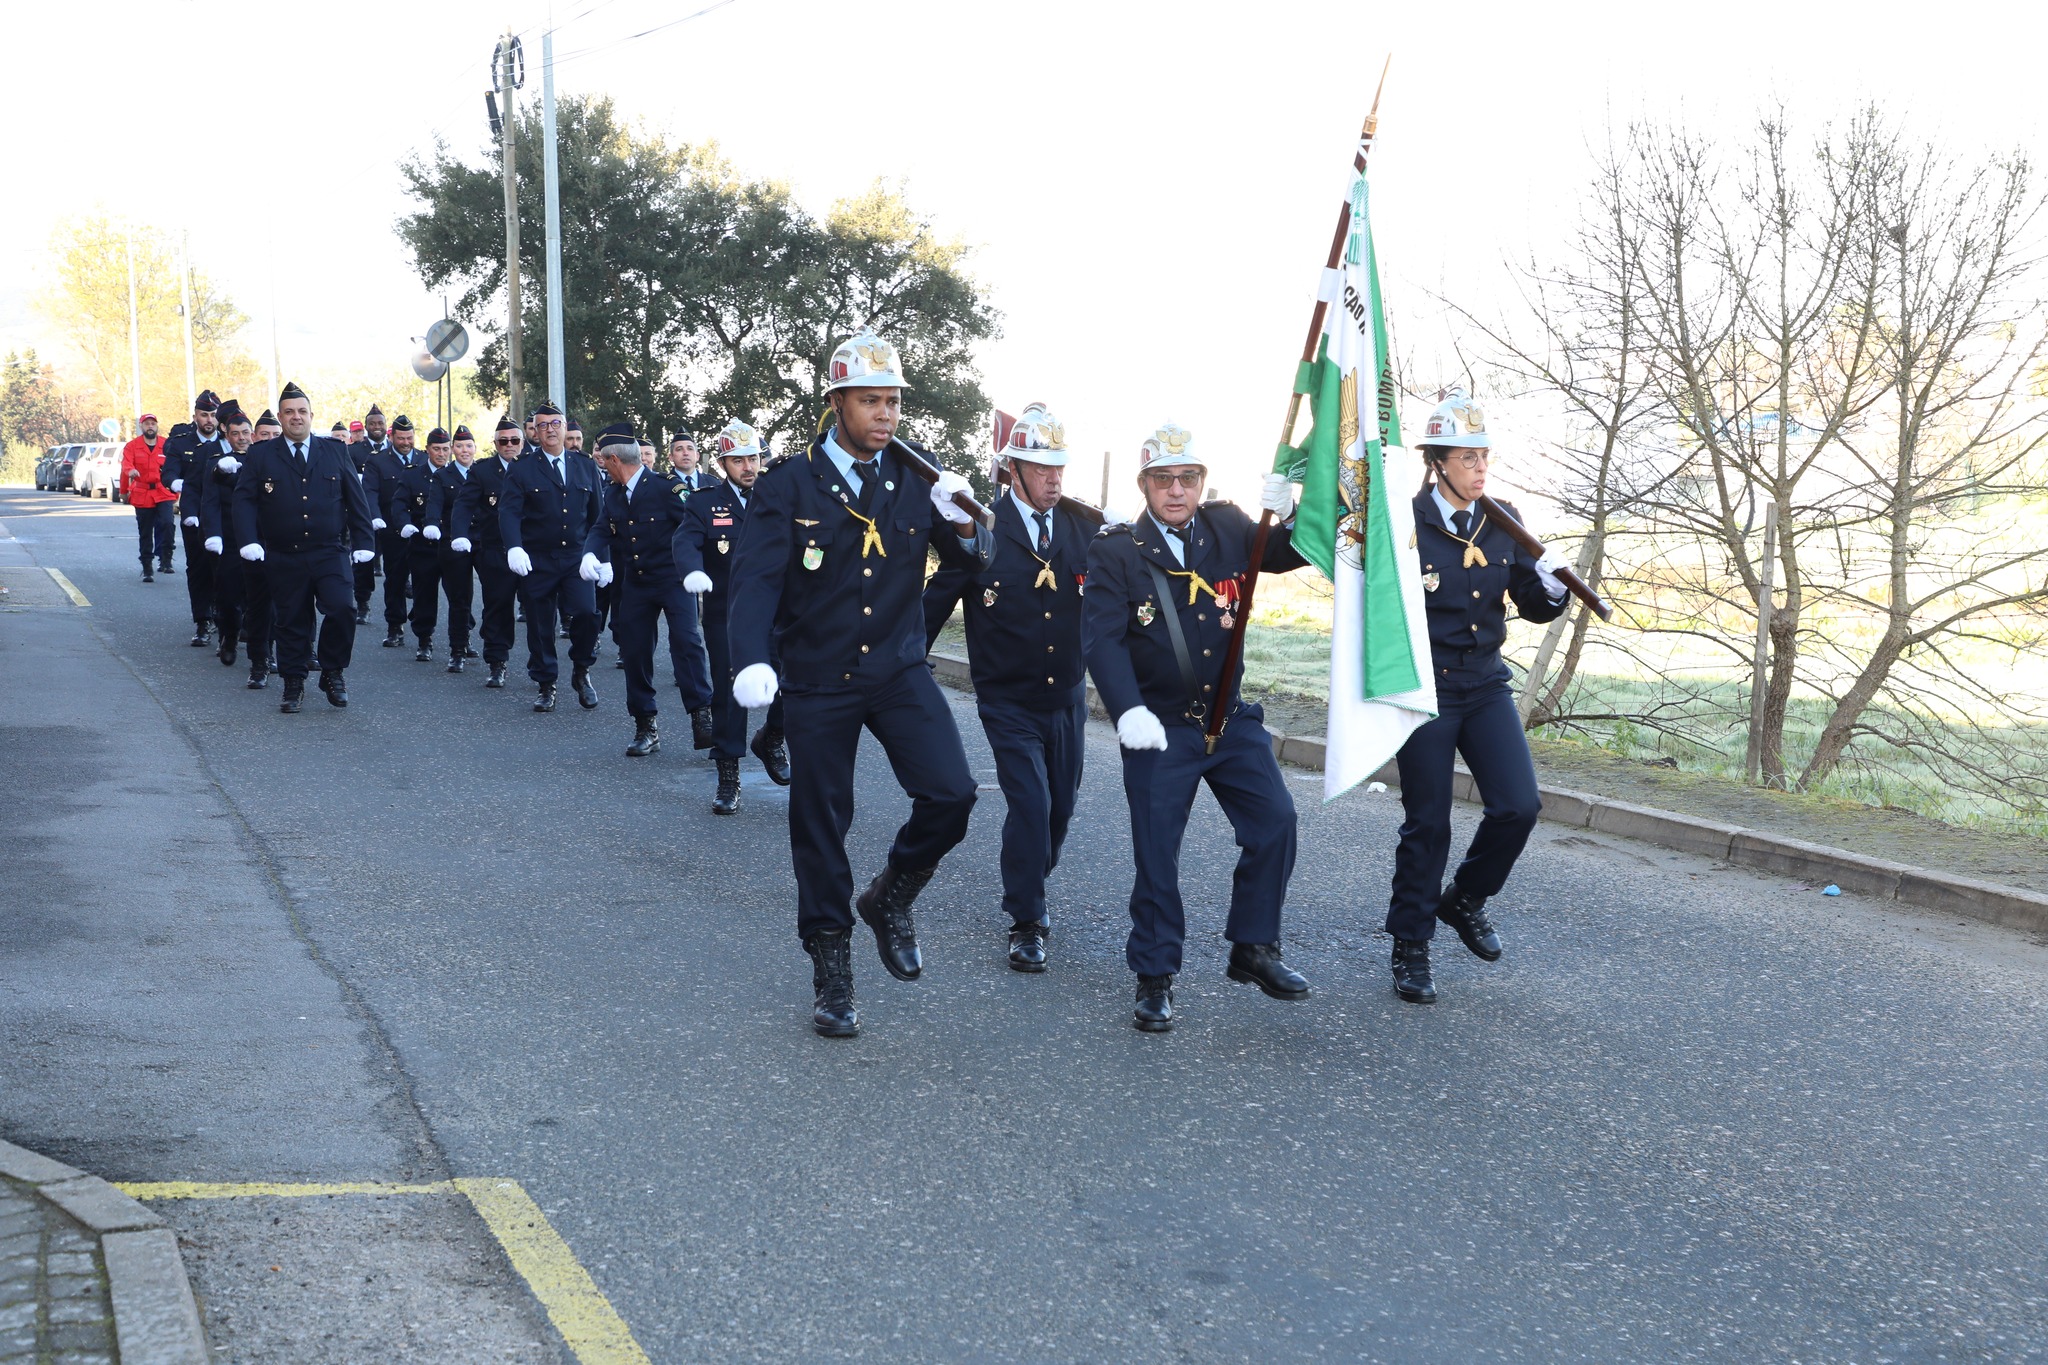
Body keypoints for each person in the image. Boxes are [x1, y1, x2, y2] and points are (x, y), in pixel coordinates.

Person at [726, 330, 991, 1038]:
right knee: (821, 824)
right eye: (870, 400)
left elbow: (972, 560)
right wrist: (751, 658)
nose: (885, 414)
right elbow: (754, 579)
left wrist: (965, 522)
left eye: (893, 401)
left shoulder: (919, 477)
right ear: (837, 402)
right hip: (819, 676)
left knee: (953, 793)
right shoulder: (789, 484)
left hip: (897, 670)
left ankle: (891, 893)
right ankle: (831, 966)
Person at [1082, 422, 1312, 1032]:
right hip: (1160, 725)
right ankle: (1155, 974)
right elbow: (1102, 640)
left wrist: (1290, 513)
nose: (1177, 489)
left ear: (1202, 481)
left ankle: (1253, 947)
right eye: (1163, 479)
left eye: (1188, 477)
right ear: (1144, 486)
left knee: (1276, 821)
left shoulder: (1229, 526)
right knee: (1158, 850)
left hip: (1228, 719)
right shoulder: (1116, 551)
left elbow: (1288, 553)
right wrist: (1127, 709)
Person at [1384, 391, 1569, 1004]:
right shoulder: (1405, 522)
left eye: (1484, 456)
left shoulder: (1503, 519)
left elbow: (1532, 606)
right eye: (1467, 458)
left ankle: (1464, 899)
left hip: (1485, 682)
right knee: (1428, 821)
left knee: (1519, 805)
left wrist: (1551, 586)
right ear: (1437, 463)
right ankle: (1411, 944)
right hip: (1426, 687)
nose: (1480, 468)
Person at [922, 403, 1092, 973]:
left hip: (1067, 697)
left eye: (1059, 467)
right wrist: (901, 663)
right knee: (1032, 805)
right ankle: (1027, 919)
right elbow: (935, 601)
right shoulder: (982, 531)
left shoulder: (1085, 527)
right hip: (1008, 701)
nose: (1054, 479)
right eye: (1041, 468)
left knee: (1059, 812)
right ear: (1012, 470)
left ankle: (1029, 878)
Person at [231, 383, 376, 712]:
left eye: (301, 411)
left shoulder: (334, 451)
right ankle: (293, 682)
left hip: (329, 550)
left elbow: (356, 498)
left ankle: (333, 671)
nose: (296, 417)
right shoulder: (261, 454)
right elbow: (244, 500)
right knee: (291, 619)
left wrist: (364, 540)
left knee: (342, 608)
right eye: (289, 412)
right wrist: (249, 541)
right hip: (284, 553)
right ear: (280, 417)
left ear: (311, 415)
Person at [675, 420, 788, 812]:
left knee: (792, 681)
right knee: (729, 692)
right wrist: (692, 570)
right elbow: (685, 540)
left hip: (778, 611)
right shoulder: (704, 502)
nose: (748, 466)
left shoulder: (779, 497)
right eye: (738, 460)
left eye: (753, 458)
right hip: (728, 612)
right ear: (723, 463)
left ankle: (772, 737)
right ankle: (728, 777)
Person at [585, 424, 706, 757]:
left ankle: (702, 714)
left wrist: (697, 566)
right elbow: (601, 528)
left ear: (614, 460)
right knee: (635, 651)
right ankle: (645, 725)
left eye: (604, 460)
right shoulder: (613, 493)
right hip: (636, 583)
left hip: (673, 580)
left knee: (687, 642)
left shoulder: (667, 488)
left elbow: (694, 526)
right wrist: (590, 554)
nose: (602, 466)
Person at [499, 401, 604, 711]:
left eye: (555, 423)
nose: (550, 430)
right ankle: (546, 683)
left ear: (565, 427)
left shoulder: (584, 465)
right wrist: (514, 547)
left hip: (576, 557)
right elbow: (509, 511)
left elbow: (599, 517)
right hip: (538, 557)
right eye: (542, 425)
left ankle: (581, 670)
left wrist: (603, 557)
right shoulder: (522, 468)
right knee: (539, 622)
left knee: (587, 614)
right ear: (535, 432)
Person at [452, 417, 524, 688]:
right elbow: (464, 504)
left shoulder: (535, 467)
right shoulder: (483, 471)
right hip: (495, 550)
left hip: (531, 551)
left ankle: (542, 667)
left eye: (514, 440)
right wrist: (459, 533)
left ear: (522, 442)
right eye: (503, 441)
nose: (509, 445)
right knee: (497, 606)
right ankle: (497, 662)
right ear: (495, 444)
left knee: (540, 609)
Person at [163, 392, 227, 645]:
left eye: (213, 415)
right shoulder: (182, 443)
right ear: (195, 416)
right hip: (195, 515)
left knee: (224, 568)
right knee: (199, 567)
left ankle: (225, 617)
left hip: (224, 516)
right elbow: (169, 472)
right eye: (204, 415)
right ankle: (202, 621)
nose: (209, 420)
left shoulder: (228, 441)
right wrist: (179, 484)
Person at [199, 402, 255, 670]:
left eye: (245, 432)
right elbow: (210, 502)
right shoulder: (217, 463)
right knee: (229, 596)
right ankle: (229, 637)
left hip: (260, 538)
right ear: (227, 436)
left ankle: (262, 652)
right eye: (235, 434)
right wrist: (214, 535)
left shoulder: (264, 461)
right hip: (231, 539)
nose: (241, 438)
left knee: (262, 598)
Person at [390, 425, 450, 662]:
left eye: (445, 449)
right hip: (423, 544)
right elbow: (399, 504)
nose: (441, 454)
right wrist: (404, 524)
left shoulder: (459, 473)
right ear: (427, 450)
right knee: (424, 593)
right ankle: (424, 638)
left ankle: (461, 638)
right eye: (436, 449)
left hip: (452, 544)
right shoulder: (413, 475)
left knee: (460, 594)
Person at [364, 411, 422, 646]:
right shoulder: (378, 461)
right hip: (392, 530)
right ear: (391, 437)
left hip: (421, 531)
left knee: (424, 579)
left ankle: (422, 624)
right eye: (401, 438)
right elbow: (370, 492)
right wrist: (375, 517)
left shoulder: (424, 458)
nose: (406, 443)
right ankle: (395, 626)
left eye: (409, 438)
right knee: (395, 580)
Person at [433, 425, 480, 672]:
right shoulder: (443, 476)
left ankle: (492, 650)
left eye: (469, 446)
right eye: (459, 446)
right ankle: (457, 649)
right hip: (453, 542)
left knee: (495, 595)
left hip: (481, 540)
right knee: (459, 598)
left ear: (475, 448)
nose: (464, 450)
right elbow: (435, 506)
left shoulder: (483, 472)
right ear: (453, 449)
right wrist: (432, 524)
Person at [120, 414, 176, 581]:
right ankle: (147, 567)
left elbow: (176, 467)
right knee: (145, 531)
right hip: (142, 492)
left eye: (153, 423)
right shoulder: (132, 446)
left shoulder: (166, 444)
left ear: (157, 426)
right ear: (141, 427)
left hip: (163, 491)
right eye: (147, 424)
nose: (150, 426)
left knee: (167, 523)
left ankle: (166, 557)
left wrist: (177, 490)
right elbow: (126, 465)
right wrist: (129, 475)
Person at [349, 407, 389, 621]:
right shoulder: (354, 451)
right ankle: (362, 602)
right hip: (363, 514)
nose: (376, 427)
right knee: (363, 561)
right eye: (372, 423)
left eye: (380, 423)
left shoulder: (395, 449)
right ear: (366, 426)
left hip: (390, 514)